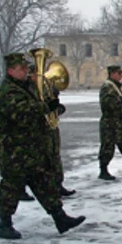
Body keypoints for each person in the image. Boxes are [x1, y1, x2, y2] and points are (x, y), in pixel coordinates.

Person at [0, 53, 85, 239]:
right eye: (22, 69)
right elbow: (23, 114)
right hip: (15, 150)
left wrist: (53, 103)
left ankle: (60, 218)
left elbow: (40, 102)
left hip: (32, 148)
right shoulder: (8, 91)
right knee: (10, 188)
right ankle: (4, 224)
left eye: (27, 68)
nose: (27, 71)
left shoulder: (26, 87)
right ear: (11, 70)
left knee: (45, 184)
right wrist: (47, 107)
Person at [28, 63, 76, 197]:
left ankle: (57, 184)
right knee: (37, 163)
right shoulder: (27, 91)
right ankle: (22, 190)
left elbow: (51, 107)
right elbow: (33, 111)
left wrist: (56, 106)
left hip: (50, 129)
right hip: (37, 131)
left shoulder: (44, 88)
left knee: (54, 158)